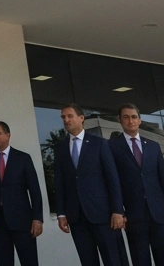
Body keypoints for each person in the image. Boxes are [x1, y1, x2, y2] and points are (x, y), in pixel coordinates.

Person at [54, 104, 126, 266]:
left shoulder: (99, 143)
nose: (66, 120)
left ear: (81, 118)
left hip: (103, 215)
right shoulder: (60, 148)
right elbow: (59, 183)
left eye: (70, 116)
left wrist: (117, 210)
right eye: (63, 117)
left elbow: (112, 179)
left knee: (113, 260)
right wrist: (61, 213)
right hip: (76, 216)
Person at [110, 104, 164, 266]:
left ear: (140, 120)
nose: (130, 121)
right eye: (126, 117)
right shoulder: (111, 146)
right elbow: (112, 182)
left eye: (134, 117)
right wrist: (118, 210)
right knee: (140, 261)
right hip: (133, 216)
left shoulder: (153, 146)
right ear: (119, 120)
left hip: (159, 214)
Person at [0, 120, 44, 266]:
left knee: (29, 261)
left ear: (8, 135)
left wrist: (37, 218)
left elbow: (34, 191)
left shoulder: (23, 158)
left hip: (22, 221)